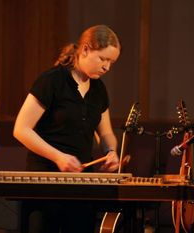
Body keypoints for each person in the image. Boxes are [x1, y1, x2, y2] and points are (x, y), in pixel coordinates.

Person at [13, 24, 121, 233]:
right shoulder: (52, 80)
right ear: (85, 49)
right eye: (103, 59)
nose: (107, 67)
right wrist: (58, 157)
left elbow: (105, 132)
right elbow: (21, 129)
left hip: (82, 185)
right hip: (45, 183)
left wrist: (110, 151)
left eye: (111, 62)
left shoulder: (98, 89)